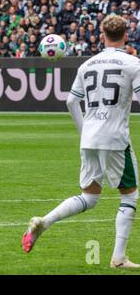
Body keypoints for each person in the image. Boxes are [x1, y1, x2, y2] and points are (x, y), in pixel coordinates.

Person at [22, 14, 140, 268]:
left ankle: (45, 220)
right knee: (129, 196)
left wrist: (83, 129)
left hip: (90, 137)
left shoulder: (87, 65)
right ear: (126, 36)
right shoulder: (133, 63)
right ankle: (118, 258)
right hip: (115, 138)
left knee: (90, 196)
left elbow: (71, 101)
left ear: (101, 35)